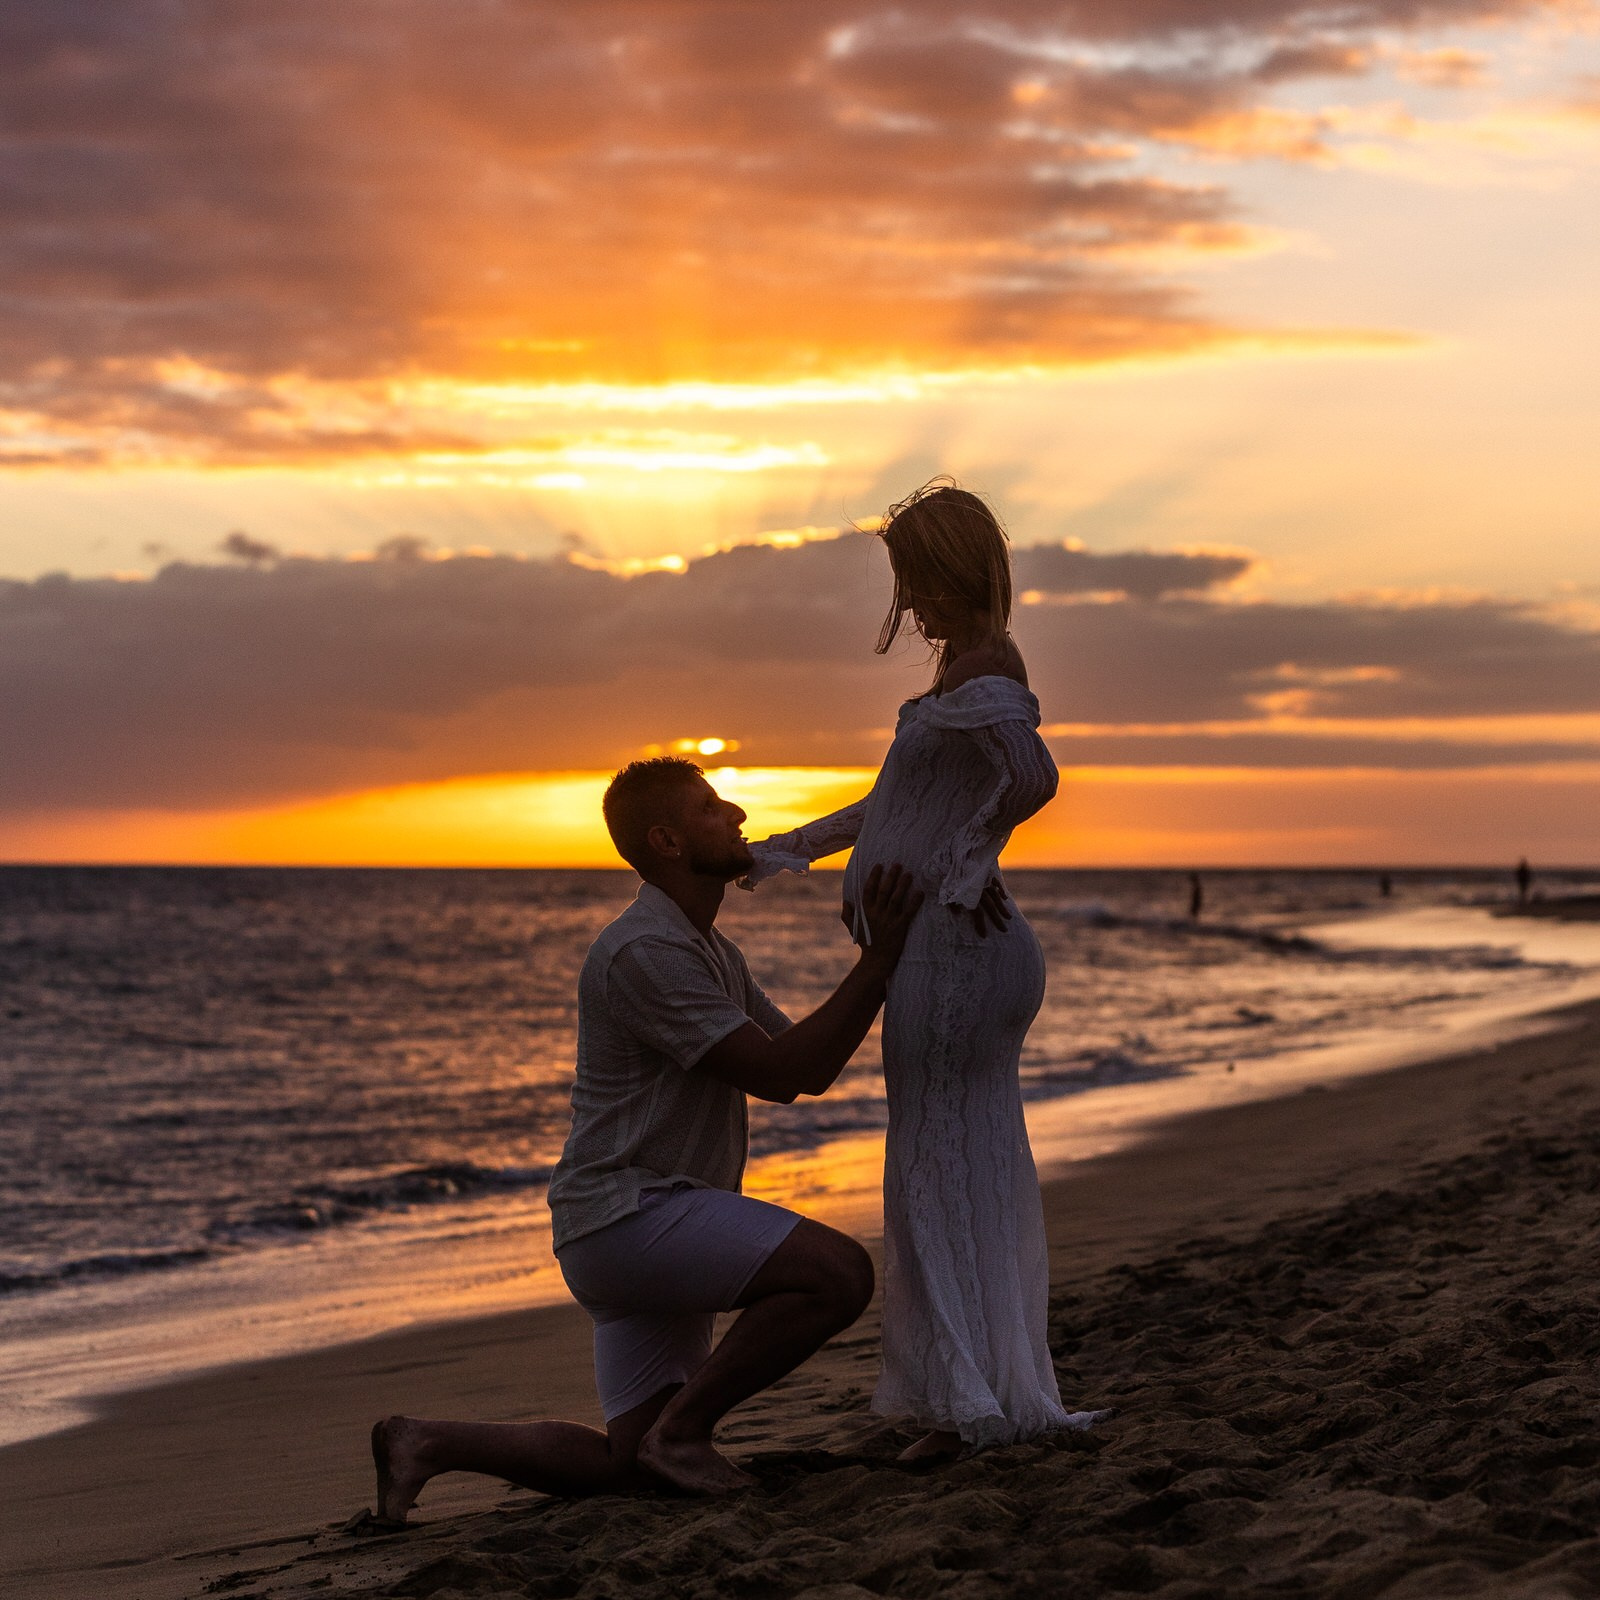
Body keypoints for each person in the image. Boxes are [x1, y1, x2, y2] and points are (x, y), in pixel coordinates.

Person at [369, 760, 922, 1517]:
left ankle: (424, 1442)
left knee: (628, 1464)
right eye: (707, 807)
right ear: (665, 841)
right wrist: (879, 959)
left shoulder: (711, 951)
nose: (734, 812)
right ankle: (687, 1431)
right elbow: (785, 1073)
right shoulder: (644, 952)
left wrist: (885, 957)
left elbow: (810, 1061)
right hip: (630, 1216)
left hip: (639, 1221)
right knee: (836, 1274)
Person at [743, 479, 1106, 1461]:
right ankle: (976, 1388)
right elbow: (889, 807)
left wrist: (963, 867)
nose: (910, 606)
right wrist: (784, 849)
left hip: (954, 953)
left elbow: (1032, 776)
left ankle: (961, 1403)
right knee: (962, 1161)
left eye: (918, 583)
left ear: (956, 572)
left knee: (933, 1165)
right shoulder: (965, 668)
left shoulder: (985, 666)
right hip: (957, 952)